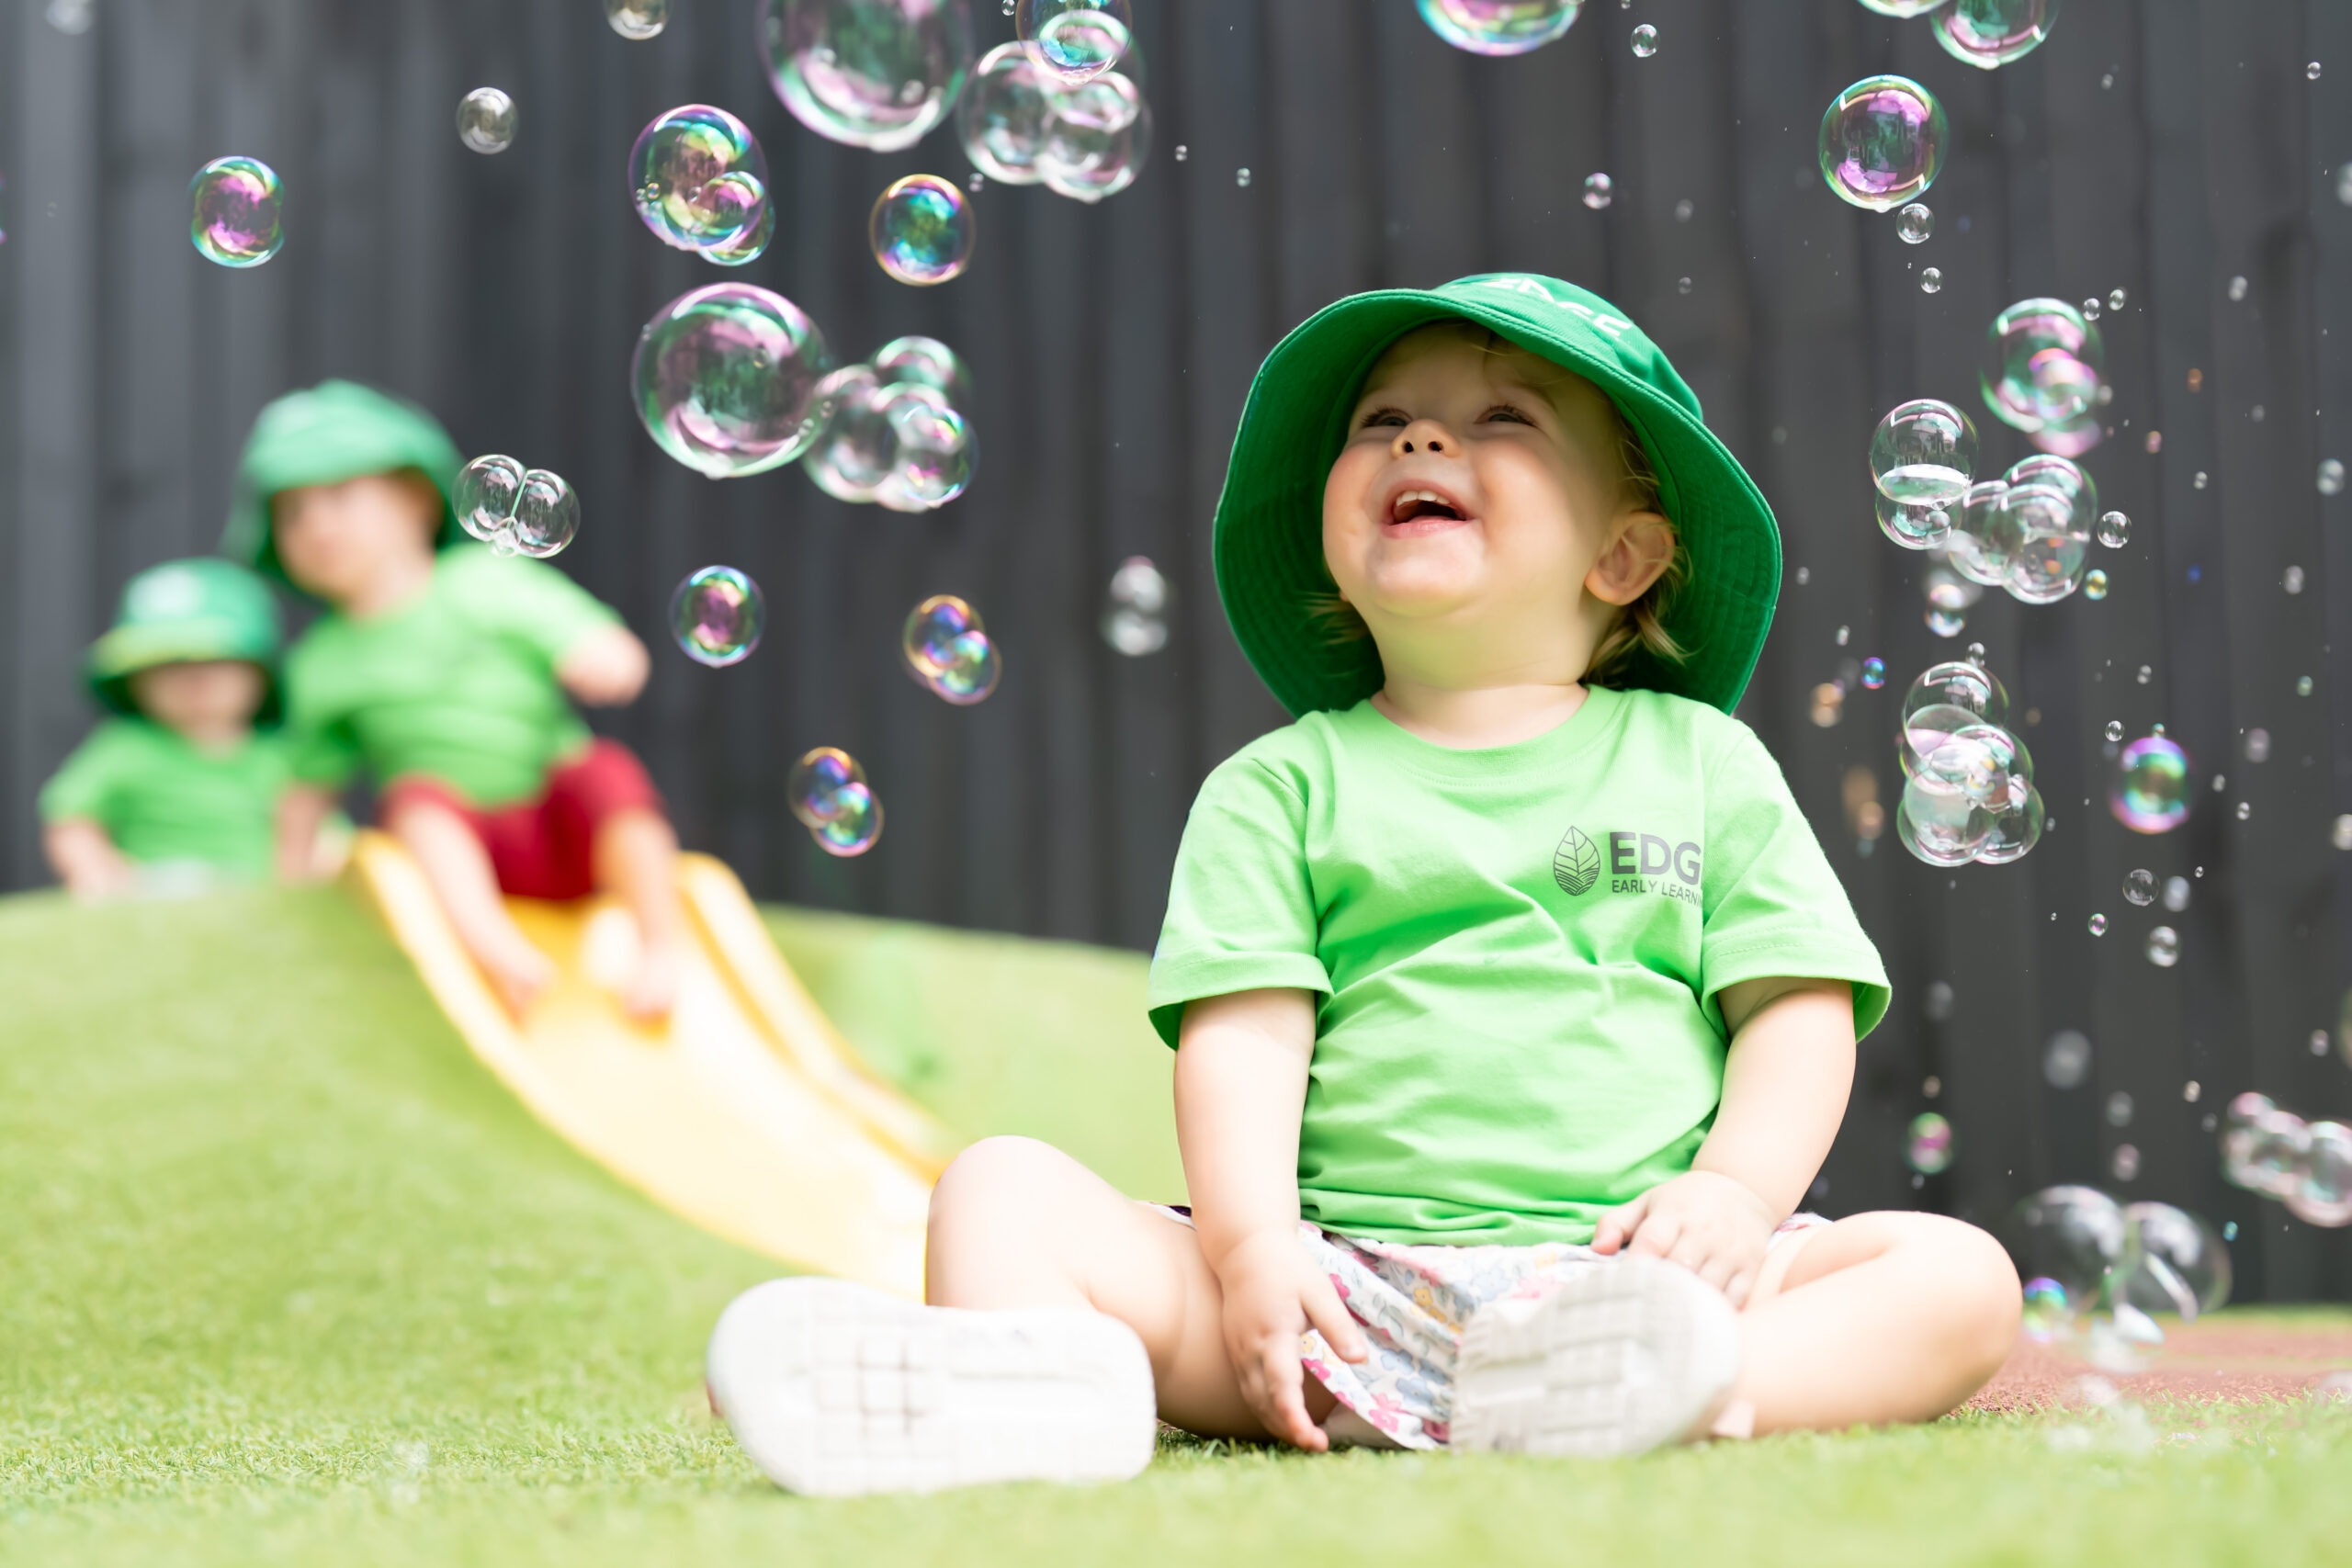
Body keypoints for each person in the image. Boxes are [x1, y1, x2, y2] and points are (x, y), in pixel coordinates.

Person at [704, 276, 2022, 1496]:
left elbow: (1794, 1010)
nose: (1418, 443)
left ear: (1620, 558)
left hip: (1638, 1282)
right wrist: (1250, 1251)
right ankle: (1036, 1382)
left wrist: (1733, 1194)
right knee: (999, 1185)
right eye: (1385, 419)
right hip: (1337, 1300)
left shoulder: (1701, 765)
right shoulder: (1283, 786)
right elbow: (1246, 1043)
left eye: (1499, 417)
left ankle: (1698, 1388)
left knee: (1957, 1275)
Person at [223, 379, 683, 1020]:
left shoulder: (485, 582)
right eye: (291, 513)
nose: (316, 524)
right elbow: (308, 791)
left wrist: (605, 654)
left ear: (413, 501)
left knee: (607, 774)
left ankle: (660, 944)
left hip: (559, 826)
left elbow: (597, 637)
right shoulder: (320, 664)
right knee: (415, 799)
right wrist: (290, 890)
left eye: (337, 495)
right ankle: (494, 950)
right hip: (464, 862)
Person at [40, 558, 306, 898]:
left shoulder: (283, 758)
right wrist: (94, 869)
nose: (194, 681)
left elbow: (319, 836)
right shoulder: (124, 748)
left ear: (259, 674)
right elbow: (70, 818)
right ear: (135, 681)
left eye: (215, 661)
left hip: (261, 904)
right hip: (150, 903)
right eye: (170, 665)